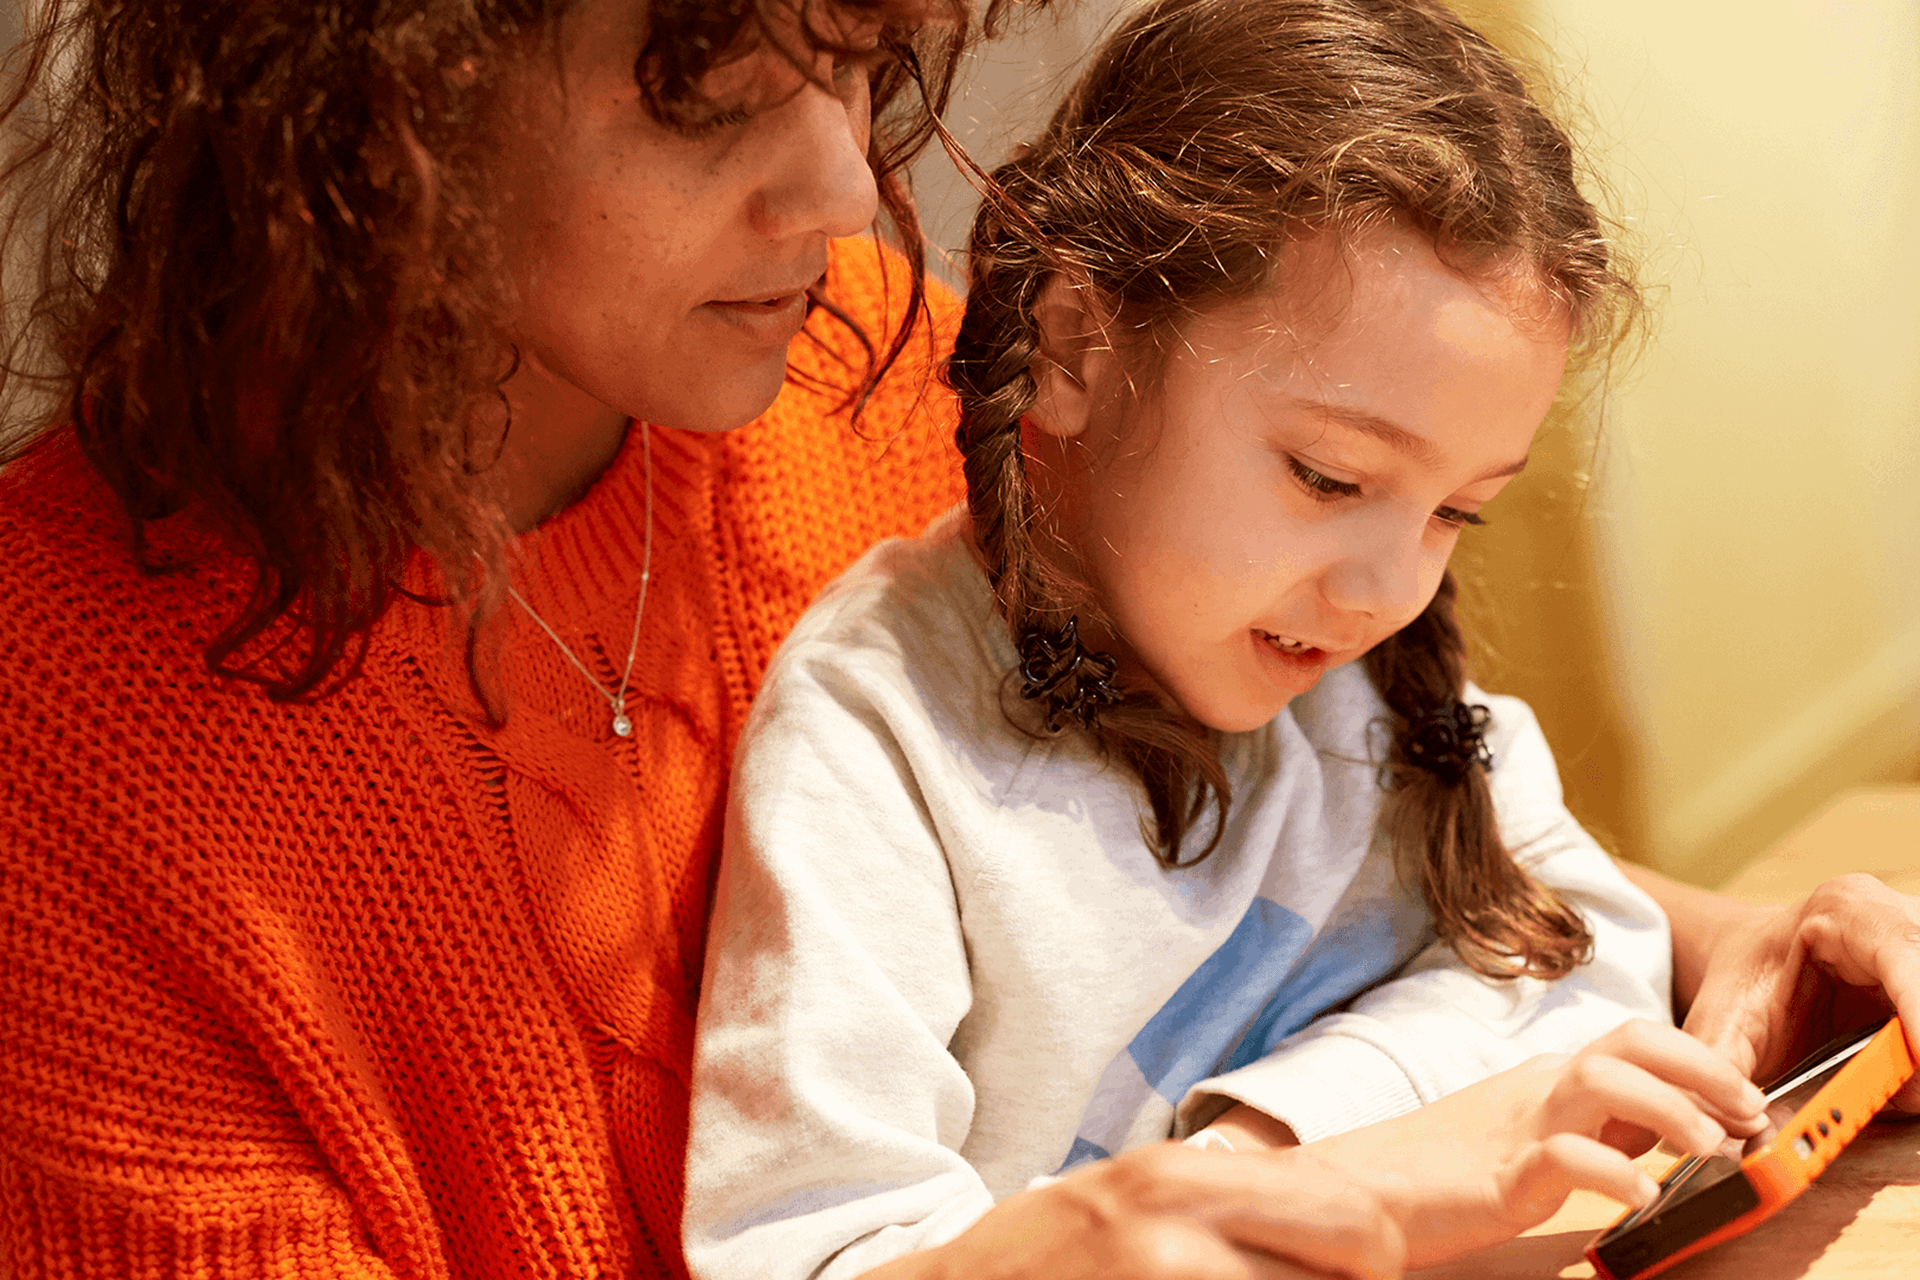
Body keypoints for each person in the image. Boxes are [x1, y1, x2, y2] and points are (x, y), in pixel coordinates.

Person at [0, 1, 1914, 1279]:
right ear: (373, 80)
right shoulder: (61, 758)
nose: (848, 187)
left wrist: (1723, 956)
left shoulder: (849, 368)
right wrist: (1152, 1220)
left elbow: (1280, 844)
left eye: (862, 60)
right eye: (715, 91)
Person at [673, 2, 1797, 1276]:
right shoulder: (878, 742)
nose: (1391, 590)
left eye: (1456, 510)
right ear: (1077, 343)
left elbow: (1583, 950)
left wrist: (1288, 1135)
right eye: (1328, 476)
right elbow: (813, 1250)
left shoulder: (1344, 669)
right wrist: (1330, 1171)